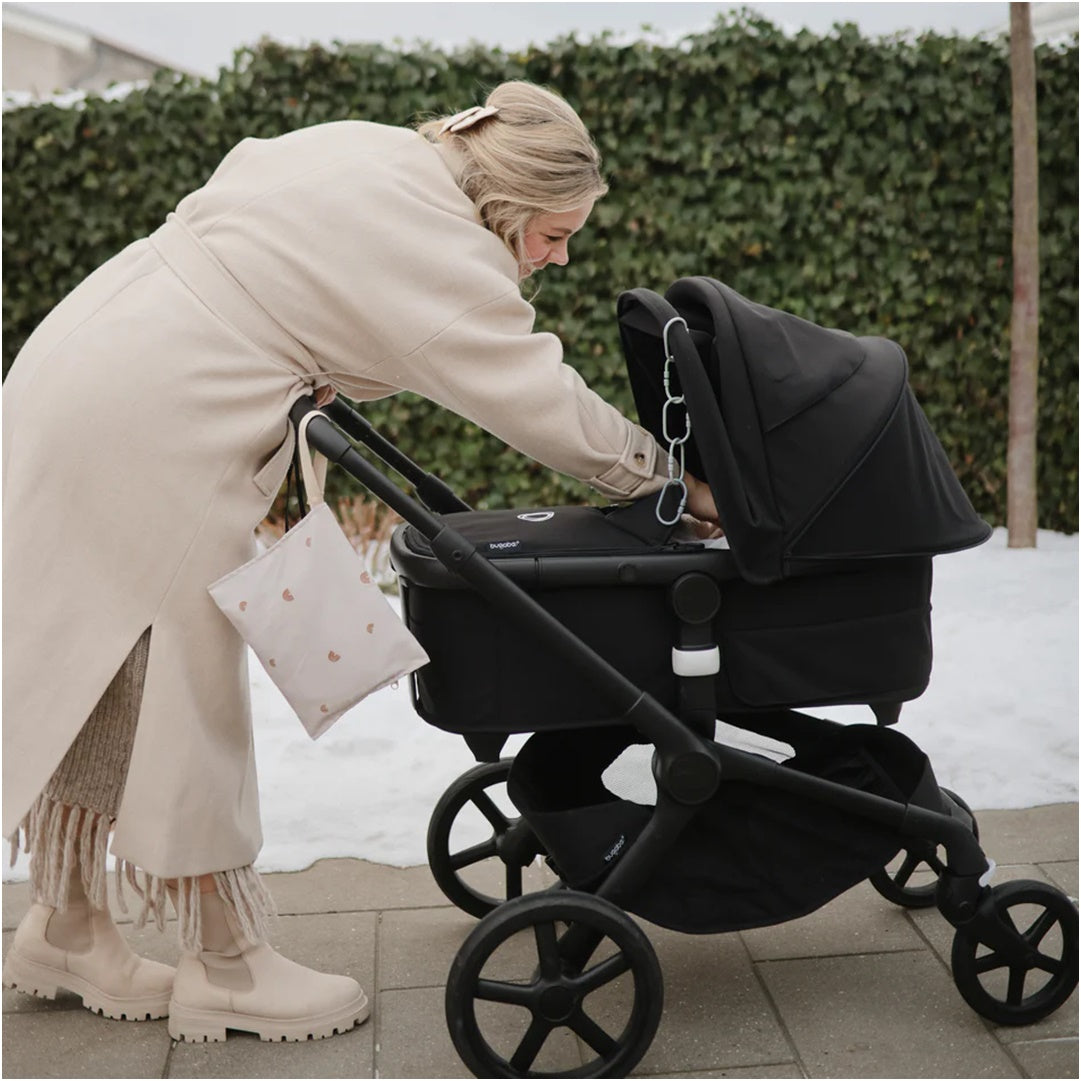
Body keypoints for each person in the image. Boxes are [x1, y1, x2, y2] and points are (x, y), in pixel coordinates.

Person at [2, 80, 719, 1042]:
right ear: (505, 203)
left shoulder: (382, 151)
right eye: (552, 233)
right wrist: (666, 476)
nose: (557, 255)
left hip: (85, 359)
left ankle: (69, 921)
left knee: (104, 658)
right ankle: (225, 962)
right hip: (154, 417)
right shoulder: (443, 249)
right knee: (185, 674)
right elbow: (536, 397)